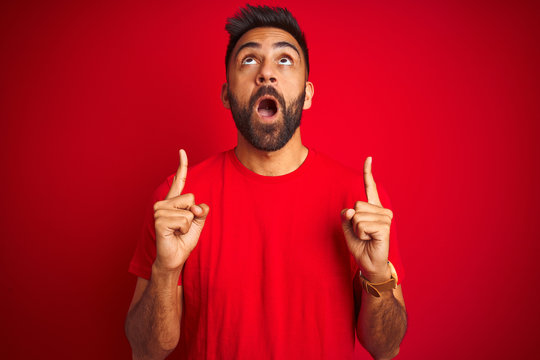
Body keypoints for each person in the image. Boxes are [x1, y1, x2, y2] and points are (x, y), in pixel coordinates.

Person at [125, 4, 407, 360]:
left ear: (307, 94)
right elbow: (145, 351)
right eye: (249, 60)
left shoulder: (360, 203)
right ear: (227, 95)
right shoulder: (178, 202)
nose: (267, 74)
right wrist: (165, 271)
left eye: (284, 60)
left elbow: (387, 348)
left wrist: (378, 273)